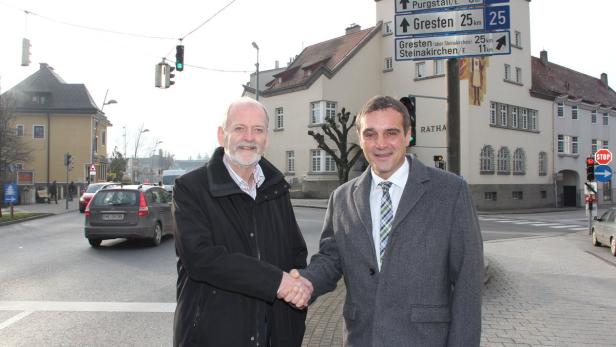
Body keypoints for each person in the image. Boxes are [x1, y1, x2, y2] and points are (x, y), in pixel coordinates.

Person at [296, 96, 484, 346]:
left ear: (408, 136)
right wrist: (306, 282)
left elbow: (468, 282)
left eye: (391, 133)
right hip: (362, 338)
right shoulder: (342, 198)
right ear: (360, 138)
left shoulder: (450, 192)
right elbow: (331, 259)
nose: (380, 144)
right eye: (370, 134)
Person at [172, 97, 312, 347]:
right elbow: (201, 259)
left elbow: (295, 252)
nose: (249, 138)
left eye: (257, 130)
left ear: (266, 138)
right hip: (214, 337)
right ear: (221, 135)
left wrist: (298, 291)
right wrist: (277, 282)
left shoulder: (276, 188)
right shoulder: (191, 188)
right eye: (239, 128)